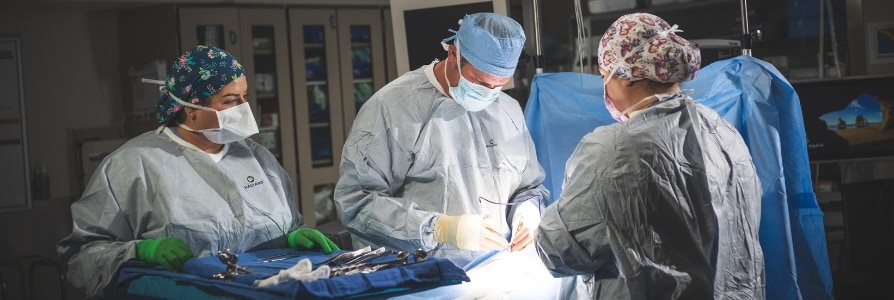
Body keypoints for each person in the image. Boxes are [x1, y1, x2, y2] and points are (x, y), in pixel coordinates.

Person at [57, 45, 339, 298]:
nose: (244, 108)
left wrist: (292, 237)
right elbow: (80, 258)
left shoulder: (259, 159)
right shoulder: (134, 166)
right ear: (191, 108)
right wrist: (140, 251)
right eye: (230, 101)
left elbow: (285, 224)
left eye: (244, 96)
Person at [535, 13, 765, 299]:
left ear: (624, 76)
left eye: (605, 75)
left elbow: (560, 251)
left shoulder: (612, 151)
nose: (604, 85)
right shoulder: (722, 132)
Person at [333, 12, 548, 267]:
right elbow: (356, 201)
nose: (490, 95)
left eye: (499, 85)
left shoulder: (508, 110)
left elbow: (528, 187)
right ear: (454, 54)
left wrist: (528, 214)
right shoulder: (392, 109)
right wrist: (441, 229)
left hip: (497, 269)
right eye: (480, 82)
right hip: (421, 275)